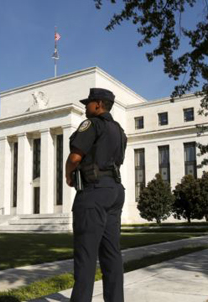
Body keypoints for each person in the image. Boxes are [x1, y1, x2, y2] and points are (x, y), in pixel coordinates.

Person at [65, 88, 127, 302]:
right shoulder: (119, 129)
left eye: (89, 102)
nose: (85, 106)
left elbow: (75, 157)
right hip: (115, 191)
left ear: (99, 104)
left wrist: (68, 174)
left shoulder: (91, 124)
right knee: (111, 253)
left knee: (86, 255)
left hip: (94, 192)